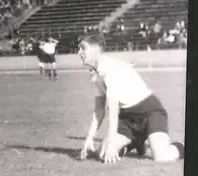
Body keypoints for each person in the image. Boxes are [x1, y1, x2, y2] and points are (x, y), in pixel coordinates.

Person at [78, 34, 184, 164]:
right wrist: (89, 137)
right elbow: (100, 108)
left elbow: (113, 109)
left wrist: (111, 143)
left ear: (96, 50)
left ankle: (183, 145)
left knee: (162, 157)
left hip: (150, 112)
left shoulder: (110, 68)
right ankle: (135, 142)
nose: (79, 53)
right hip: (128, 118)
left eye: (83, 48)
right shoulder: (95, 73)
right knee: (103, 154)